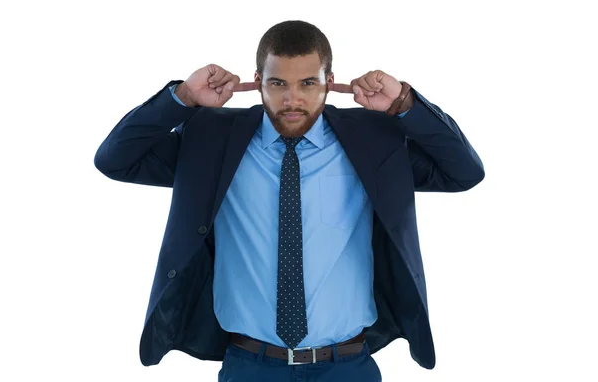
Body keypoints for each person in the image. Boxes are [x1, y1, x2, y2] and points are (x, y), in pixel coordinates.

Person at [94, 20, 485, 381]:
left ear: (329, 82)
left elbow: (463, 172)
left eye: (308, 84)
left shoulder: (372, 141)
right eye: (278, 83)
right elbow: (115, 159)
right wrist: (182, 97)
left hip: (347, 366)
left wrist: (403, 104)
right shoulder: (212, 141)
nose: (292, 99)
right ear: (257, 82)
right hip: (250, 365)